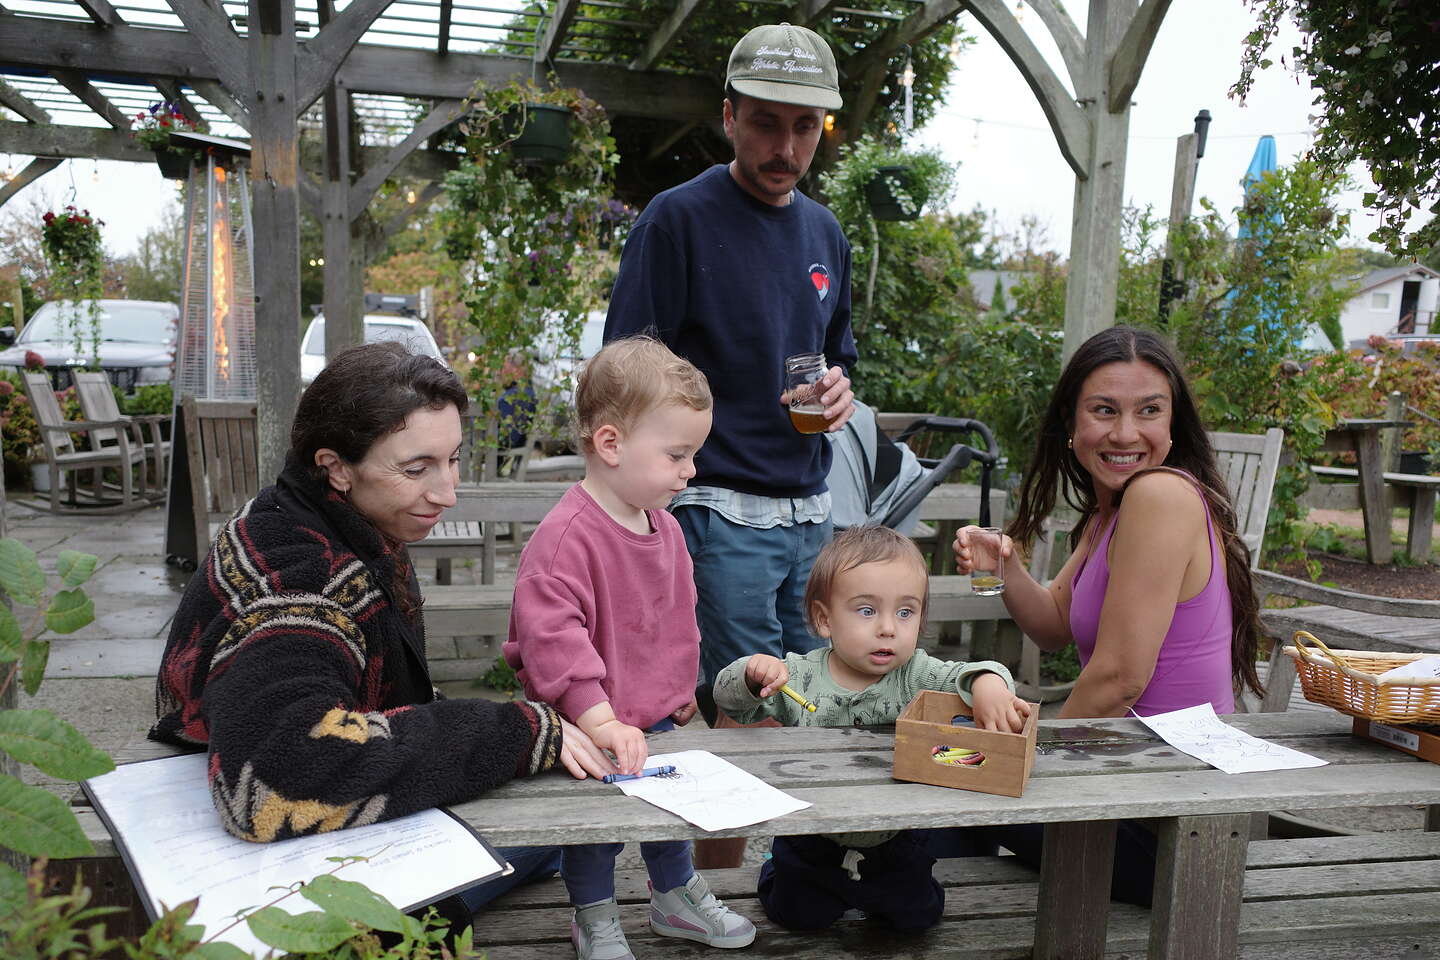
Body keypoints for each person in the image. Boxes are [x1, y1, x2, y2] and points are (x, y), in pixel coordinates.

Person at [151, 342, 614, 931]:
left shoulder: (326, 517)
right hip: (263, 873)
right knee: (556, 836)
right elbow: (269, 780)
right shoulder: (301, 587)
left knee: (556, 837)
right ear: (336, 467)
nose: (447, 492)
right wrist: (517, 728)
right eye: (417, 469)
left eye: (453, 460)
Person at [950, 324, 1265, 903]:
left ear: (1173, 426)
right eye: (1104, 410)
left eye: (1149, 410)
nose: (1126, 432)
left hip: (1176, 823)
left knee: (955, 776)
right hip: (1129, 781)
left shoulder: (1159, 497)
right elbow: (1050, 627)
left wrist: (1028, 759)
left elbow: (1121, 677)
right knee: (956, 750)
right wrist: (1009, 565)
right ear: (1073, 424)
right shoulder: (1109, 514)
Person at [604, 22, 858, 698]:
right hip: (717, 514)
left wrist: (838, 390)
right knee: (753, 708)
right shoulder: (675, 220)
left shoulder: (826, 232)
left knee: (820, 698)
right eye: (765, 123)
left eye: (805, 126)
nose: (786, 147)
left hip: (812, 515)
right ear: (728, 117)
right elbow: (621, 375)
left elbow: (836, 354)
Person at [504, 337, 757, 960]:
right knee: (595, 832)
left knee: (670, 812)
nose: (690, 469)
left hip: (649, 716)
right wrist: (600, 719)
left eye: (693, 454)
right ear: (611, 444)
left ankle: (674, 898)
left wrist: (677, 692)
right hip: (586, 726)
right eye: (677, 454)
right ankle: (594, 916)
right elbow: (552, 644)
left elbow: (673, 620)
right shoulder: (565, 540)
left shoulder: (664, 526)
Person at [712, 525, 1030, 932]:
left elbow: (968, 673)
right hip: (813, 838)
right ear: (824, 618)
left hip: (894, 839)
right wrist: (751, 675)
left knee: (919, 918)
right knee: (797, 916)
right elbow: (728, 701)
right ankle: (775, 871)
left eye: (905, 611)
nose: (888, 628)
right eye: (867, 611)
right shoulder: (799, 676)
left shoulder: (915, 674)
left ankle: (882, 894)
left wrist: (988, 683)